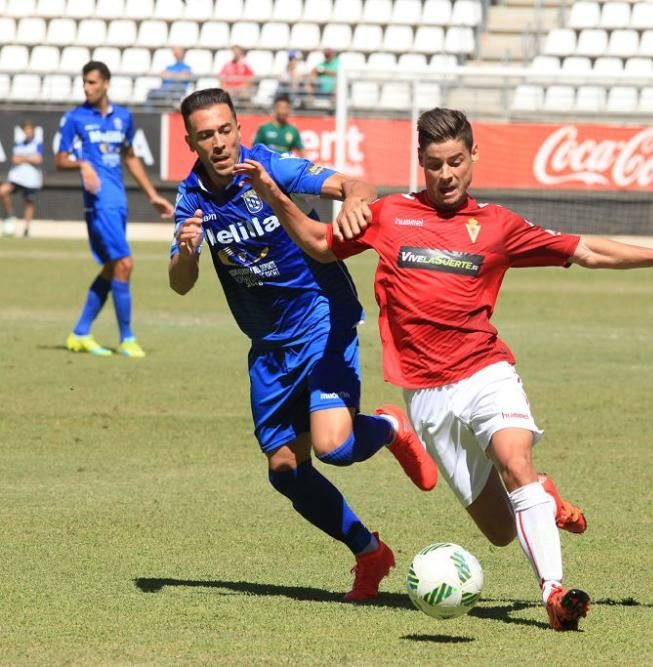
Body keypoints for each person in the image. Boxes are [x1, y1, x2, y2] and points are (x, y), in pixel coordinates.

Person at [235, 107, 653, 631]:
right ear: (420, 164)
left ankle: (555, 594)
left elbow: (584, 250)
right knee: (497, 528)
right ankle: (542, 491)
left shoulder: (498, 226)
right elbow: (317, 244)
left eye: (455, 162)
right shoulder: (389, 214)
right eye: (433, 165)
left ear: (473, 156)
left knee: (514, 458)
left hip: (485, 370)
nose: (446, 175)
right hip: (426, 397)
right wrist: (271, 191)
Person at [169, 88, 438, 601]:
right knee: (286, 470)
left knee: (334, 445)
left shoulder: (270, 167)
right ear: (191, 141)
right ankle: (369, 552)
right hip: (269, 346)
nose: (219, 143)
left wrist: (357, 201)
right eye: (206, 135)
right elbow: (181, 282)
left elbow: (356, 182)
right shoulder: (190, 198)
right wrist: (186, 253)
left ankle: (388, 427)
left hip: (322, 320)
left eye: (226, 130)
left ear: (239, 129)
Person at [57, 61, 174, 357]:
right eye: (84, 82)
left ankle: (81, 332)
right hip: (99, 203)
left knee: (112, 267)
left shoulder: (123, 117)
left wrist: (152, 195)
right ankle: (127, 338)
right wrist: (81, 163)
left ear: (106, 83)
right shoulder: (75, 118)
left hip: (118, 201)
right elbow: (59, 159)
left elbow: (130, 157)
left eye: (92, 82)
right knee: (124, 264)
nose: (87, 87)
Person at [1, 120, 43, 238]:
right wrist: (29, 158)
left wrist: (23, 158)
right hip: (17, 177)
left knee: (28, 203)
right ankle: (10, 216)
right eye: (26, 130)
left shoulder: (37, 144)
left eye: (30, 129)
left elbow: (38, 159)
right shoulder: (18, 144)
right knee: (3, 191)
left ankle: (26, 229)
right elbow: (15, 159)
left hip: (31, 180)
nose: (28, 132)